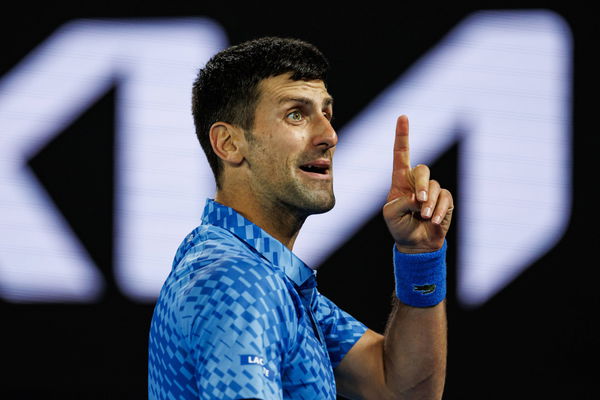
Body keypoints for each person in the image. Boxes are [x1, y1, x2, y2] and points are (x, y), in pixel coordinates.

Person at [148, 36, 453, 400]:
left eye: (326, 113)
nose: (329, 135)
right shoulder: (238, 284)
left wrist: (419, 255)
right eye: (296, 114)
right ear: (229, 144)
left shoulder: (264, 276)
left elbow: (401, 390)